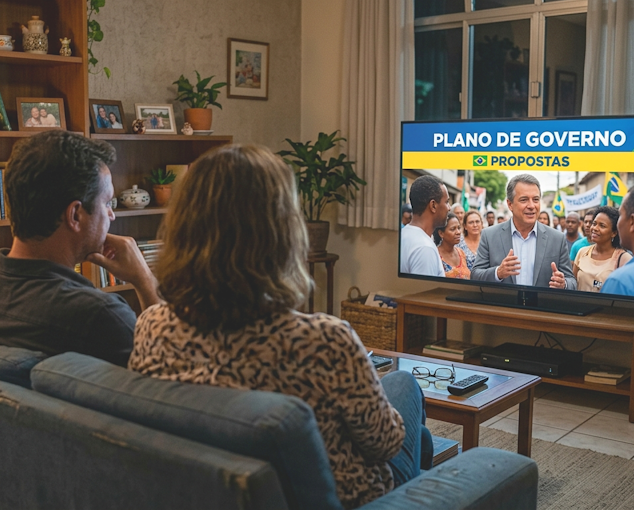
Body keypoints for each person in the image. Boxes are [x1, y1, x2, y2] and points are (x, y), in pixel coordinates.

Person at [128, 144, 427, 509]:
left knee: (422, 434)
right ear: (282, 232)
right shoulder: (325, 341)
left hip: (215, 494)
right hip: (345, 499)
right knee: (405, 385)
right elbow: (386, 444)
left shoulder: (152, 326)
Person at [0, 131, 160, 366]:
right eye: (107, 203)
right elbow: (171, 373)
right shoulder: (101, 317)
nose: (112, 215)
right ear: (75, 215)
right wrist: (144, 279)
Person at [472, 174, 576, 289]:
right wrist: (498, 273)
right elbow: (475, 275)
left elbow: (572, 282)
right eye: (524, 200)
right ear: (510, 204)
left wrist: (563, 284)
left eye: (535, 199)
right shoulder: (489, 236)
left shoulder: (557, 239)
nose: (531, 206)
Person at [400, 174, 449, 277]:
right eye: (447, 202)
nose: (449, 208)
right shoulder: (425, 248)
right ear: (433, 205)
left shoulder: (402, 234)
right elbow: (424, 288)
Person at [573, 206, 632, 292]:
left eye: (602, 226)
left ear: (614, 233)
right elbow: (573, 284)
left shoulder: (624, 259)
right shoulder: (582, 252)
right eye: (594, 224)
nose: (595, 228)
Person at [434, 213, 470, 279]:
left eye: (459, 228)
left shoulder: (461, 253)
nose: (458, 232)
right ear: (441, 233)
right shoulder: (435, 255)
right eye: (453, 229)